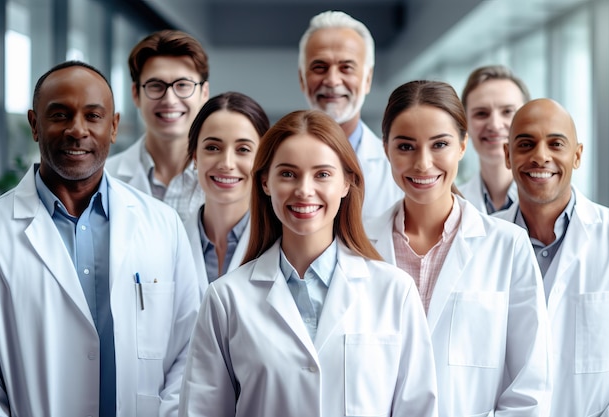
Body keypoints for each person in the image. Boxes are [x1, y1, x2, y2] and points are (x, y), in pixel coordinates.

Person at [179, 110, 438, 417]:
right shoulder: (226, 299)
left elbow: (417, 409)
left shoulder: (394, 291)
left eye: (322, 174)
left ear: (346, 183)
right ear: (265, 182)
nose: (304, 190)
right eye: (288, 174)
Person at [0, 61, 199, 416]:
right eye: (59, 115)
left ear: (114, 126)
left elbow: (190, 347)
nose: (77, 130)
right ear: (34, 125)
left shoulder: (162, 224)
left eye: (93, 116)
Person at [364, 80, 550, 416]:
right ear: (386, 148)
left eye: (440, 144)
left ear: (463, 146)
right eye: (406, 146)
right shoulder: (358, 246)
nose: (423, 163)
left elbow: (530, 386)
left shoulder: (507, 245)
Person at [495, 98, 609, 416]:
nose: (540, 156)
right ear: (507, 156)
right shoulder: (484, 245)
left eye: (556, 143)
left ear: (577, 155)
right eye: (526, 144)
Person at [298, 10, 402, 217]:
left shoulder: (395, 170)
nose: (332, 80)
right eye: (320, 67)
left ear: (367, 79)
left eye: (346, 68)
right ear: (302, 78)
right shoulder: (272, 162)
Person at [106, 29, 209, 222]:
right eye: (156, 86)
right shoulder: (106, 177)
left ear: (204, 93)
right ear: (135, 94)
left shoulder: (227, 177)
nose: (170, 100)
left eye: (183, 85)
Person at [184, 92, 269, 296]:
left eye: (243, 149)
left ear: (263, 159)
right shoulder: (168, 243)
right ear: (195, 157)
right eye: (213, 148)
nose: (227, 164)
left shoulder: (282, 247)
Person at [458, 65, 530, 214]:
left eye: (507, 111)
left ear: (528, 119)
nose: (495, 125)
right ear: (466, 123)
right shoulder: (453, 205)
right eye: (481, 113)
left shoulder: (552, 202)